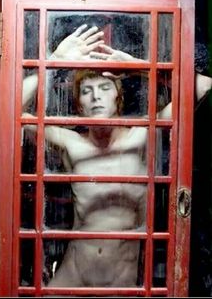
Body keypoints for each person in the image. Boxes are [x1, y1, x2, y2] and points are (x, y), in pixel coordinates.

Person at [22, 24, 212, 288]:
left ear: (118, 98)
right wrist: (52, 63)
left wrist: (143, 67)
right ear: (79, 104)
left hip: (120, 283)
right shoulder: (70, 142)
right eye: (86, 91)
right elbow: (7, 110)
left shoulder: (143, 134)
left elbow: (203, 87)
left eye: (104, 88)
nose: (96, 97)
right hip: (72, 277)